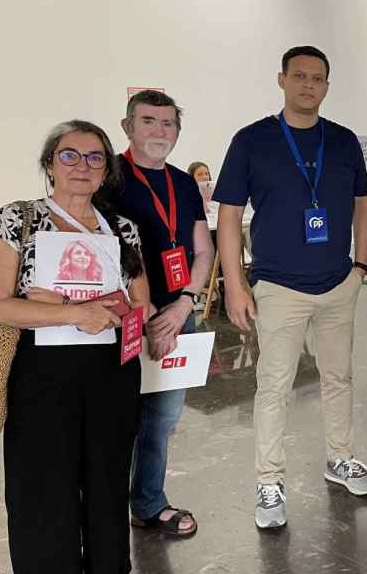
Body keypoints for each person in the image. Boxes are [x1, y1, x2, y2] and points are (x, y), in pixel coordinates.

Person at [214, 45, 367, 529]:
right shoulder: (252, 140)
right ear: (281, 79)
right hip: (279, 287)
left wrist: (361, 266)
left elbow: (363, 203)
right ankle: (269, 482)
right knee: (273, 387)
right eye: (300, 76)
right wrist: (236, 284)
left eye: (318, 78)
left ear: (328, 85)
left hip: (336, 284)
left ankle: (339, 457)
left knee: (338, 377)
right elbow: (228, 215)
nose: (309, 85)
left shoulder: (344, 141)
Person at [0, 120, 152, 572]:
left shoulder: (121, 226)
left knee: (107, 484)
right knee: (42, 488)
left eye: (95, 157)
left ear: (106, 170)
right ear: (50, 165)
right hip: (40, 376)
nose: (82, 165)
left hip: (111, 373)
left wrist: (67, 300)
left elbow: (140, 304)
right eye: (69, 155)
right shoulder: (17, 220)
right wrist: (73, 311)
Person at [113, 89, 214, 537]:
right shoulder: (108, 176)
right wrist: (148, 310)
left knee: (163, 417)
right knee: (116, 414)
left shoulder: (184, 182)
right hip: (126, 316)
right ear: (128, 126)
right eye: (149, 121)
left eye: (168, 123)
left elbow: (202, 249)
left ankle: (149, 503)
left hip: (179, 313)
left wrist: (183, 303)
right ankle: (100, 507)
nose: (159, 131)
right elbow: (102, 246)